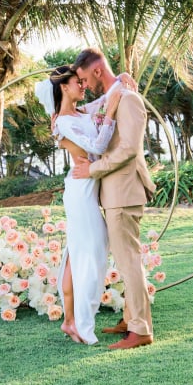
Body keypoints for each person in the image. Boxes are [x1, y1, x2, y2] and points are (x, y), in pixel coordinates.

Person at [72, 47, 156, 350]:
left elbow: (129, 149)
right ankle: (130, 318)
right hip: (114, 193)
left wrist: (92, 169)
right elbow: (83, 111)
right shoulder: (111, 97)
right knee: (125, 259)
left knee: (129, 260)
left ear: (96, 72)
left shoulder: (129, 99)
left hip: (124, 192)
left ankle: (141, 330)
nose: (83, 87)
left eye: (84, 80)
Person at [35, 66, 123, 345]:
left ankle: (70, 321)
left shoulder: (80, 113)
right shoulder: (63, 123)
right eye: (77, 82)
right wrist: (109, 115)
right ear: (64, 87)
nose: (83, 85)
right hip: (81, 189)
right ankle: (82, 325)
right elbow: (96, 147)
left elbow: (108, 95)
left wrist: (121, 80)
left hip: (84, 188)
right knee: (92, 254)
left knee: (79, 254)